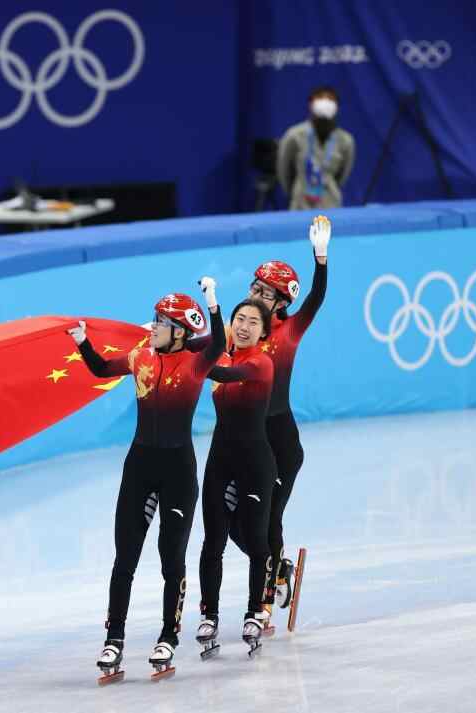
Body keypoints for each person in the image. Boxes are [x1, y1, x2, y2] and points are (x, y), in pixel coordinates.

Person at [68, 280, 224, 680]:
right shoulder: (140, 356)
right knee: (125, 557)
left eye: (161, 321)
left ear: (180, 332)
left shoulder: (196, 364)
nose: (152, 326)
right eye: (154, 318)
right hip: (139, 466)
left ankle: (168, 636)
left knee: (171, 557)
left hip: (178, 471)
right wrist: (83, 342)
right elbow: (101, 368)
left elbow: (219, 341)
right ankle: (113, 639)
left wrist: (212, 302)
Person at [234, 215, 330, 623]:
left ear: (281, 303)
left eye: (264, 292)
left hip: (280, 441)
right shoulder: (239, 330)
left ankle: (267, 592)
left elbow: (316, 298)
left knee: (268, 518)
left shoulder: (290, 330)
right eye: (254, 287)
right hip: (246, 440)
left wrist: (320, 258)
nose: (255, 295)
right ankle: (279, 566)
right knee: (235, 525)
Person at [196, 299, 276, 657]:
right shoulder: (224, 354)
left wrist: (192, 360)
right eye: (240, 319)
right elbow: (205, 348)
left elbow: (224, 375)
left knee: (256, 540)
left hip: (255, 463)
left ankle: (255, 612)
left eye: (253, 322)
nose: (244, 326)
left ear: (264, 331)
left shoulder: (261, 363)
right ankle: (209, 616)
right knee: (213, 540)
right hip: (220, 461)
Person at [277, 86, 356, 210]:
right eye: (320, 98)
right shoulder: (294, 135)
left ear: (337, 106)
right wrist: (296, 190)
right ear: (311, 104)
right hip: (300, 204)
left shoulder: (346, 140)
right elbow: (284, 171)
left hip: (331, 204)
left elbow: (342, 176)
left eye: (330, 99)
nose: (325, 102)